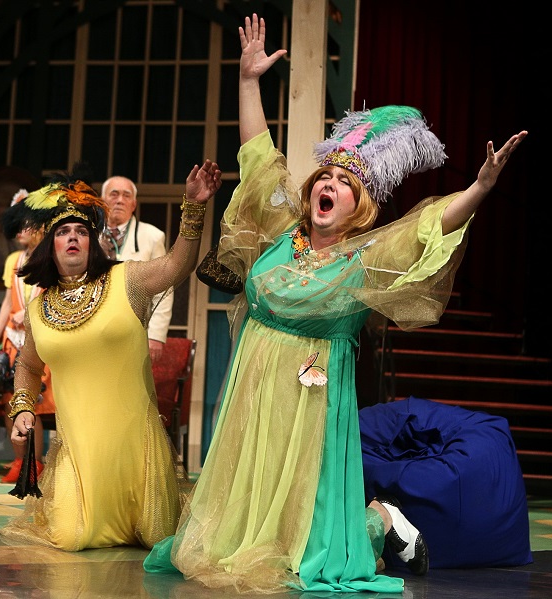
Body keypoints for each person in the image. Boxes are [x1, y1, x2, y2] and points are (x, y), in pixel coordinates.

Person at [143, 14, 528, 594]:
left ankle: (378, 521)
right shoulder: (282, 231)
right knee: (224, 541)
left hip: (314, 398)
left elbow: (427, 228)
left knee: (311, 546)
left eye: (344, 184)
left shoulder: (365, 258)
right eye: (324, 177)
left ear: (359, 207)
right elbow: (258, 157)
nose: (329, 184)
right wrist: (248, 82)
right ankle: (361, 519)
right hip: (255, 386)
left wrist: (479, 189)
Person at [0, 159, 222, 551]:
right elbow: (29, 367)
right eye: (63, 232)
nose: (73, 237)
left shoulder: (126, 279)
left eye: (81, 231)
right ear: (50, 246)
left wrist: (195, 206)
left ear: (93, 241)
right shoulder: (38, 310)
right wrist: (22, 408)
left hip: (138, 456)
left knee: (158, 536)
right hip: (78, 457)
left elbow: (177, 265)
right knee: (70, 537)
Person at [0, 189, 56, 484]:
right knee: (10, 401)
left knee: (32, 402)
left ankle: (34, 463)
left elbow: (51, 298)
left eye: (25, 224)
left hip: (38, 340)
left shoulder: (49, 258)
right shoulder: (13, 259)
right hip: (13, 340)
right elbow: (6, 302)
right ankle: (17, 460)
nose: (20, 230)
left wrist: (27, 315)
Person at [99, 176, 174, 363]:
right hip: (91, 329)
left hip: (132, 331)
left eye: (126, 196)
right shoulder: (86, 234)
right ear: (102, 201)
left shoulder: (152, 236)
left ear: (133, 204)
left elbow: (164, 288)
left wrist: (156, 335)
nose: (120, 200)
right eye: (114, 194)